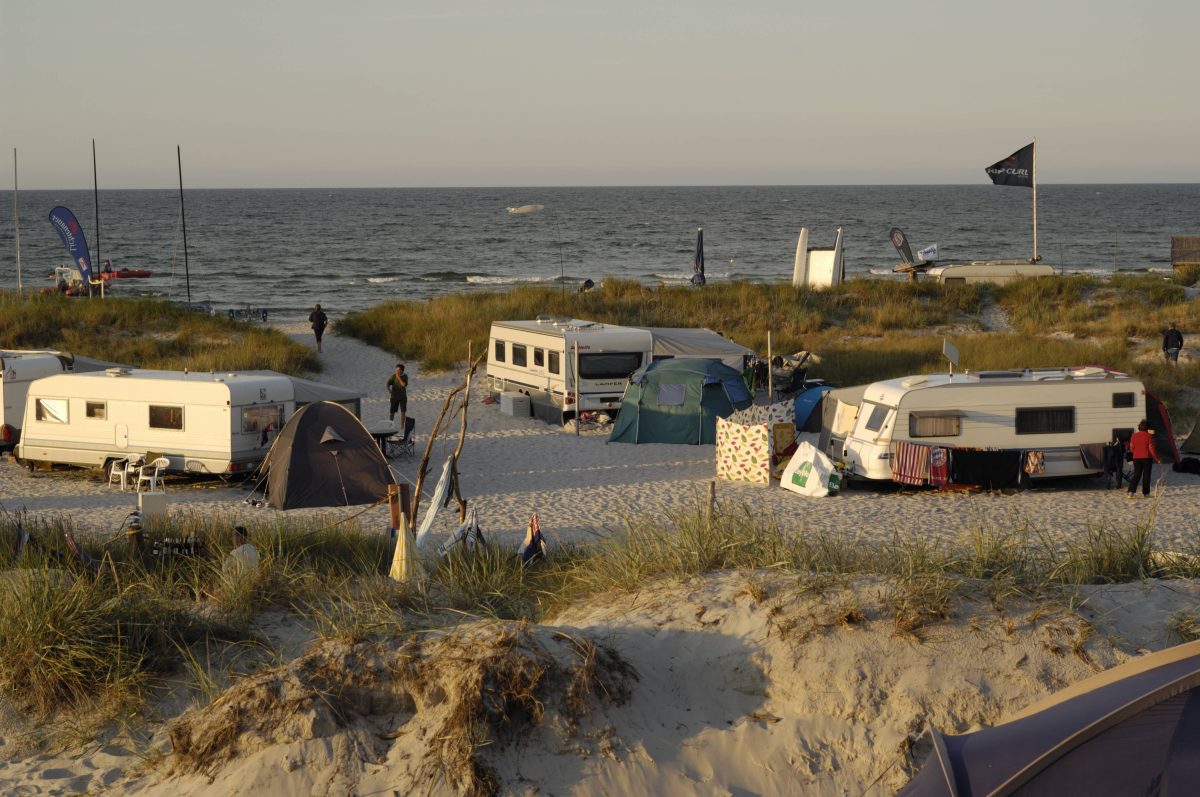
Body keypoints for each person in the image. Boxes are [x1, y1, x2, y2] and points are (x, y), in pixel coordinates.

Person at [1126, 421, 1161, 499]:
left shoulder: (1134, 436)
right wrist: (1157, 459)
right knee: (1146, 475)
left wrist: (1136, 452)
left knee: (1136, 475)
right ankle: (1146, 493)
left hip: (1136, 458)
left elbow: (1131, 448)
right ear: (1147, 428)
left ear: (1139, 427)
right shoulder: (1149, 436)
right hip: (1147, 458)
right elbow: (1151, 448)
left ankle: (1130, 492)